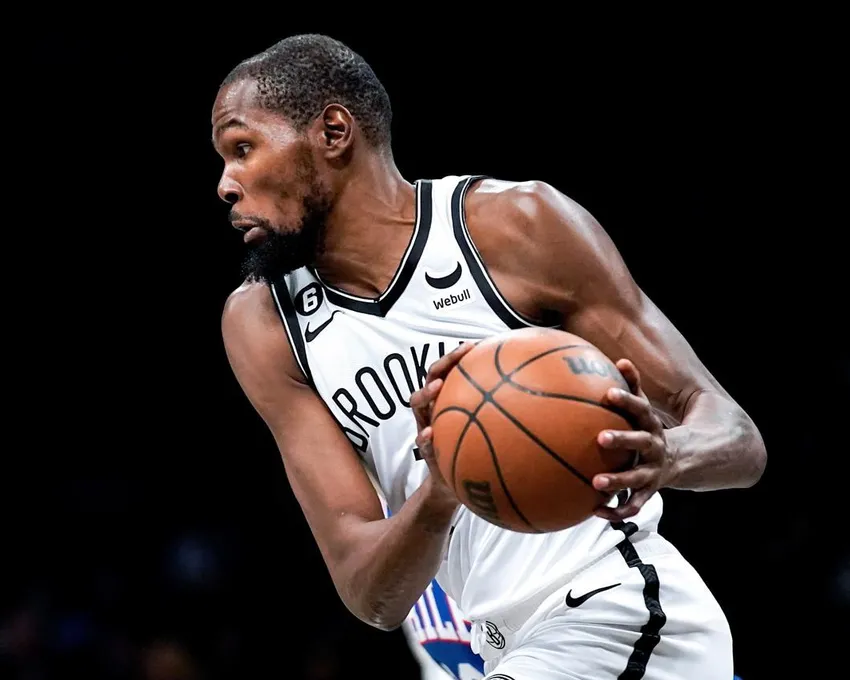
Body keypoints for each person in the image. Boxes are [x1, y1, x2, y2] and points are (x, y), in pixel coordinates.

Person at [213, 34, 767, 679]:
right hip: (492, 644)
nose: (225, 184)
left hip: (617, 608)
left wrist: (669, 455)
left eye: (242, 149)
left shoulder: (512, 227)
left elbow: (739, 440)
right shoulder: (264, 325)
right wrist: (442, 488)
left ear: (334, 132)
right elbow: (370, 596)